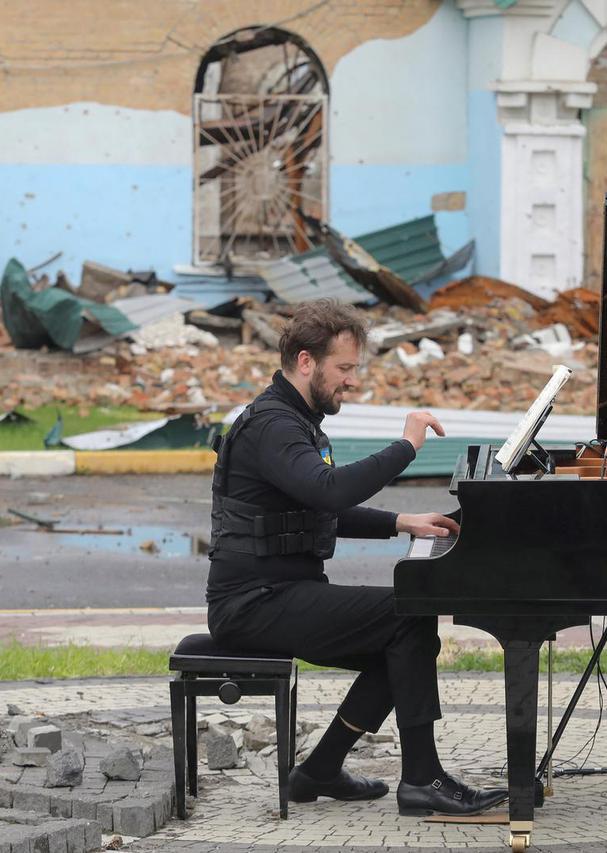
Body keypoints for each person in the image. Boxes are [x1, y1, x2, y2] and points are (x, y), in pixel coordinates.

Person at [206, 299, 507, 817]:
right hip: (252, 603)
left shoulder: (296, 419)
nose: (350, 381)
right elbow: (328, 491)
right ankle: (421, 779)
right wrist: (406, 446)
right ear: (306, 362)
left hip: (280, 593)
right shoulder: (274, 426)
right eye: (343, 369)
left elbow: (314, 512)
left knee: (402, 636)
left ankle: (320, 770)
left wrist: (401, 522)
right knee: (407, 618)